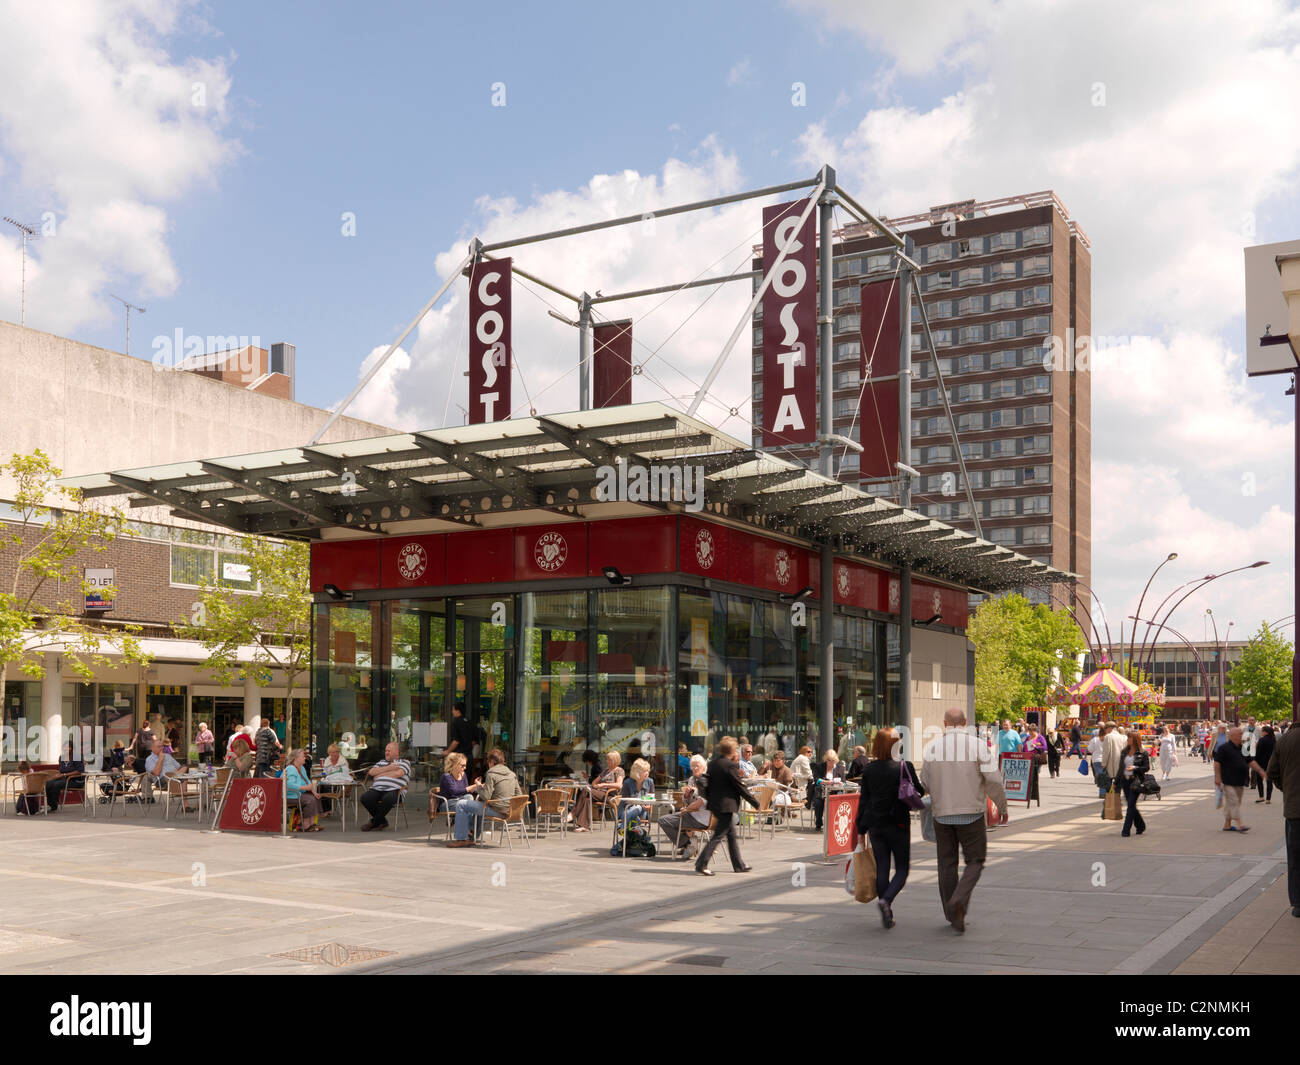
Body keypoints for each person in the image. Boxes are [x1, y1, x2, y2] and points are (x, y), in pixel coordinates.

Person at [921, 709, 1008, 934]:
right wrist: (1002, 806)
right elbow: (994, 780)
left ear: (945, 723)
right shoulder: (978, 746)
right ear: (965, 723)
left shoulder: (933, 749)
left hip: (942, 815)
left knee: (946, 864)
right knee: (975, 861)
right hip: (972, 813)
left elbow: (925, 782)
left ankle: (953, 914)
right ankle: (959, 900)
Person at [857, 727, 924, 929]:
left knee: (883, 867)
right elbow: (919, 791)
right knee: (902, 868)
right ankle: (886, 901)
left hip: (875, 826)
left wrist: (860, 829)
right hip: (898, 823)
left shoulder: (869, 769)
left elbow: (864, 801)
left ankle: (887, 913)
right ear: (895, 745)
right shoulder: (904, 766)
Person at [695, 737, 758, 876]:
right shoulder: (730, 765)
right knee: (718, 836)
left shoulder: (713, 763)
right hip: (726, 805)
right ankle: (701, 863)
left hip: (715, 804)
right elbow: (739, 786)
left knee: (731, 835)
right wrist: (755, 802)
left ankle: (739, 864)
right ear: (731, 750)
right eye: (735, 748)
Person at [449, 748, 521, 847]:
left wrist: (478, 786)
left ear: (491, 762)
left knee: (461, 804)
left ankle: (461, 839)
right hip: (510, 811)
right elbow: (519, 795)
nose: (488, 764)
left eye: (488, 761)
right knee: (479, 804)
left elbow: (486, 796)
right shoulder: (512, 774)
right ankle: (472, 837)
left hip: (496, 810)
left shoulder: (491, 773)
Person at [1264, 721, 1300, 917]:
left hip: (1295, 809)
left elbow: (1272, 773)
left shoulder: (1285, 740)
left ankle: (1297, 903)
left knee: (1295, 858)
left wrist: (1287, 789)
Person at [1214, 728, 1268, 834]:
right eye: (1240, 734)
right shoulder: (1223, 748)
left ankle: (1227, 825)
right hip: (1228, 781)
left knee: (1234, 803)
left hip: (1239, 781)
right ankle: (1240, 824)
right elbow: (1217, 763)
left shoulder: (1243, 747)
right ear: (1232, 736)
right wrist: (1217, 777)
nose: (1242, 735)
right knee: (1234, 802)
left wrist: (1260, 771)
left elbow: (1250, 761)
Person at [659, 755, 710, 858]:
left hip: (700, 817)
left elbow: (699, 804)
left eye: (697, 766)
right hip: (692, 814)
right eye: (693, 766)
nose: (694, 768)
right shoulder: (692, 779)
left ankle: (688, 842)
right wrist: (686, 795)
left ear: (703, 767)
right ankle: (688, 844)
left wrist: (686, 809)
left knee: (664, 821)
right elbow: (686, 801)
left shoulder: (705, 781)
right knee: (670, 819)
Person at [566, 751, 624, 832]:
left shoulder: (619, 770)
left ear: (615, 760)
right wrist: (597, 786)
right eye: (607, 759)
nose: (607, 761)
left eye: (609, 760)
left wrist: (603, 785)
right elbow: (594, 782)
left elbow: (619, 785)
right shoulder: (606, 771)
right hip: (601, 793)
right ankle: (584, 826)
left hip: (610, 795)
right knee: (587, 798)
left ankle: (573, 813)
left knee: (586, 791)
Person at [359, 741, 411, 832]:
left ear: (397, 752)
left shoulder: (404, 762)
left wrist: (380, 774)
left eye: (389, 751)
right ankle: (382, 821)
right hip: (377, 789)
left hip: (395, 790)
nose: (386, 752)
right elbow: (371, 772)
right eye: (386, 750)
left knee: (388, 799)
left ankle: (373, 822)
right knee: (365, 798)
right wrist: (389, 768)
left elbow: (398, 774)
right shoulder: (381, 762)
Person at [1118, 731, 1151, 838]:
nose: (1127, 740)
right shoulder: (1124, 751)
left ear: (1135, 739)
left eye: (1129, 738)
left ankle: (1125, 830)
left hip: (1135, 782)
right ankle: (1140, 826)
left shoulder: (1142, 753)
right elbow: (1120, 768)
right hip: (1125, 781)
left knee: (1131, 805)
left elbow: (1146, 767)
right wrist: (1116, 782)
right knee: (1131, 805)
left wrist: (1135, 768)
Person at [283, 748, 323, 831]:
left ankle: (312, 824)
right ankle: (306, 824)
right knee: (310, 800)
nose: (305, 758)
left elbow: (307, 781)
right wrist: (305, 788)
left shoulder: (301, 768)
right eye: (303, 756)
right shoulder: (291, 768)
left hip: (297, 793)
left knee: (316, 797)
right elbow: (289, 784)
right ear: (296, 759)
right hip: (290, 795)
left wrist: (314, 792)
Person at [44, 742, 86, 813]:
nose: (66, 749)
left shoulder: (76, 757)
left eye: (68, 747)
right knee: (47, 783)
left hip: (75, 780)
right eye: (64, 747)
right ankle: (51, 804)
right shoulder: (61, 757)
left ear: (72, 748)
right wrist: (57, 775)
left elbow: (79, 771)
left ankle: (54, 805)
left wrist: (64, 775)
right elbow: (61, 770)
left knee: (56, 784)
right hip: (64, 779)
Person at [811, 749, 846, 831]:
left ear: (836, 760)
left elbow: (844, 782)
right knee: (818, 803)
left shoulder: (840, 768)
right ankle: (819, 823)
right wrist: (827, 782)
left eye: (833, 760)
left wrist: (841, 783)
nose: (831, 762)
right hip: (822, 791)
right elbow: (816, 780)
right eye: (828, 760)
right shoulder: (819, 766)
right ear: (825, 759)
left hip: (835, 791)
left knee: (837, 802)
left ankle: (833, 823)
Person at [618, 758, 655, 831]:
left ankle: (622, 828)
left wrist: (649, 805)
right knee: (636, 819)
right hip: (626, 809)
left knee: (638, 808)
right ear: (637, 772)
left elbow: (651, 798)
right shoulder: (627, 783)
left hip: (642, 812)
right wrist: (639, 804)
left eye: (648, 770)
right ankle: (631, 836)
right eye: (644, 771)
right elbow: (625, 801)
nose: (647, 773)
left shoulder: (650, 782)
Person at [436, 751, 471, 822]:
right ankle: (467, 829)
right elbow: (454, 792)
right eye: (462, 765)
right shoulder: (446, 776)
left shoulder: (463, 775)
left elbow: (465, 792)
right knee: (469, 807)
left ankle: (466, 827)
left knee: (469, 797)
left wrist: (477, 787)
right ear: (455, 765)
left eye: (465, 765)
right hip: (447, 804)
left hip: (460, 801)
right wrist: (470, 788)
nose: (465, 768)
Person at [317, 742, 351, 814]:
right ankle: (325, 809)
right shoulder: (327, 760)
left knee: (325, 788)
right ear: (329, 753)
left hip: (340, 784)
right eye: (333, 752)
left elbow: (345, 773)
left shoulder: (343, 761)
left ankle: (328, 810)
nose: (335, 754)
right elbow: (325, 772)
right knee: (319, 787)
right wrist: (323, 774)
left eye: (337, 752)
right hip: (330, 781)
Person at [1254, 725, 1277, 804]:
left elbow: (1258, 752)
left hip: (1261, 763)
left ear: (1265, 732)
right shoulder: (1274, 740)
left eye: (1262, 731)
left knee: (1259, 780)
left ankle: (1261, 797)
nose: (1261, 733)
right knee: (1269, 781)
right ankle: (1268, 799)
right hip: (1270, 763)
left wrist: (1255, 761)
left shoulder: (1262, 740)